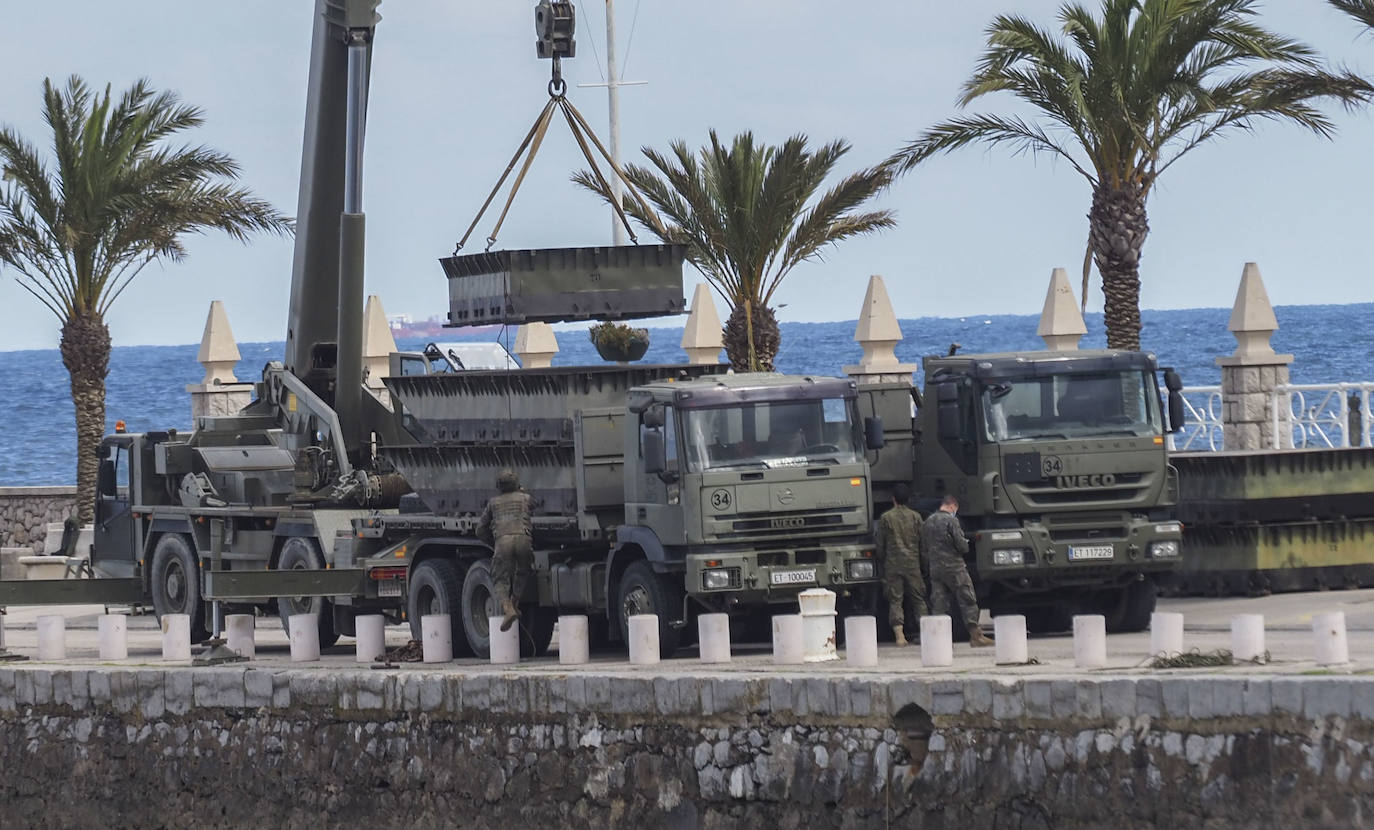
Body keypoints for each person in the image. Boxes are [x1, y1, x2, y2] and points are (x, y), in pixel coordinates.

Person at [920, 494, 994, 647]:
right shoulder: (951, 521)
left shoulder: (928, 522)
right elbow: (962, 546)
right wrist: (966, 542)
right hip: (954, 567)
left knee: (939, 602)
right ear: (952, 506)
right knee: (967, 599)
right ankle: (976, 636)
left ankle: (939, 640)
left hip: (935, 568)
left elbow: (923, 547)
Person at [476, 468, 535, 632]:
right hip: (523, 540)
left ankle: (508, 609)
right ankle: (515, 603)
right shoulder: (525, 498)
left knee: (500, 578)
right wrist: (522, 491)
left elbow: (480, 529)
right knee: (523, 571)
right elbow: (534, 506)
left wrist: (492, 542)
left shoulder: (493, 503)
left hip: (503, 542)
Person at [875, 483, 927, 646]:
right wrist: (923, 564)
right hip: (913, 564)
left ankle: (900, 636)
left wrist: (882, 560)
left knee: (895, 600)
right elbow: (923, 543)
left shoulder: (886, 518)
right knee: (918, 599)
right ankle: (924, 632)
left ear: (893, 499)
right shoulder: (916, 517)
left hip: (893, 564)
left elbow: (880, 544)